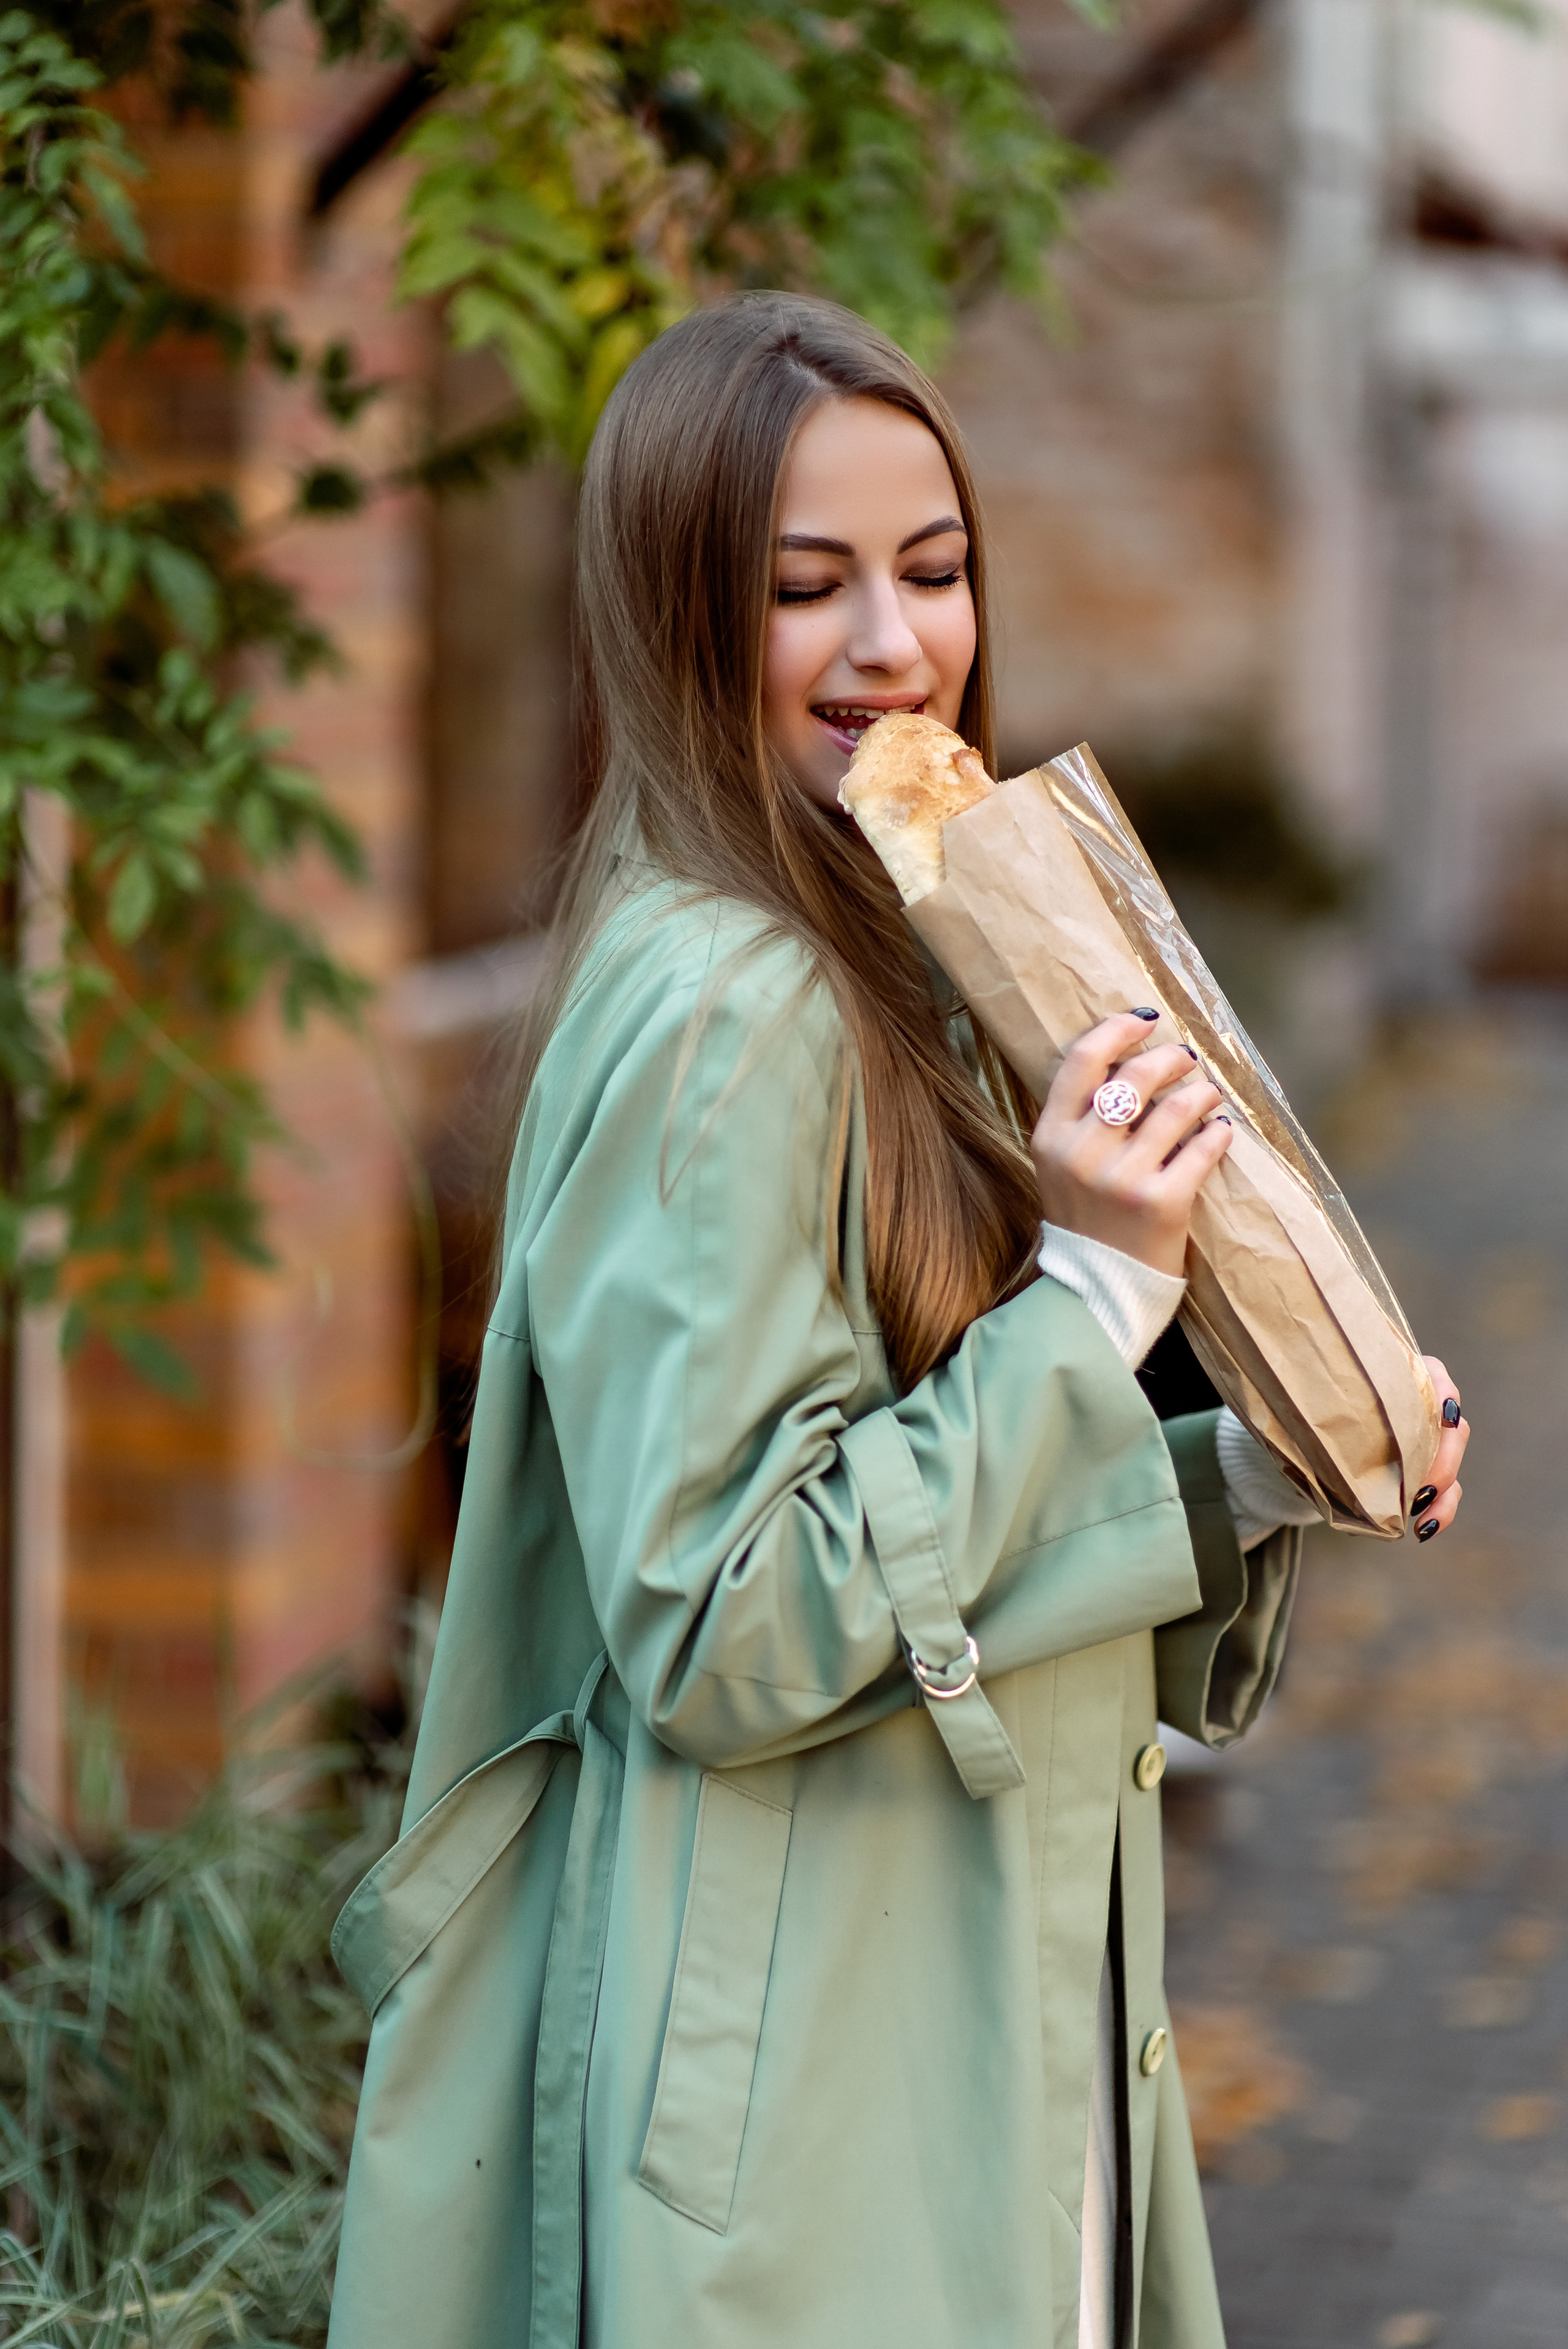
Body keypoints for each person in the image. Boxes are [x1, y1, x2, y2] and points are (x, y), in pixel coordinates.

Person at [324, 293, 1468, 2349]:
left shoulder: (887, 965)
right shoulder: (729, 1009)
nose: (895, 647)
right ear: (677, 616)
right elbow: (728, 1619)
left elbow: (948, 1514)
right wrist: (1102, 1283)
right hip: (823, 2121)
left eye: (934, 573)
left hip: (965, 2028)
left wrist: (1252, 1471)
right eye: (802, 588)